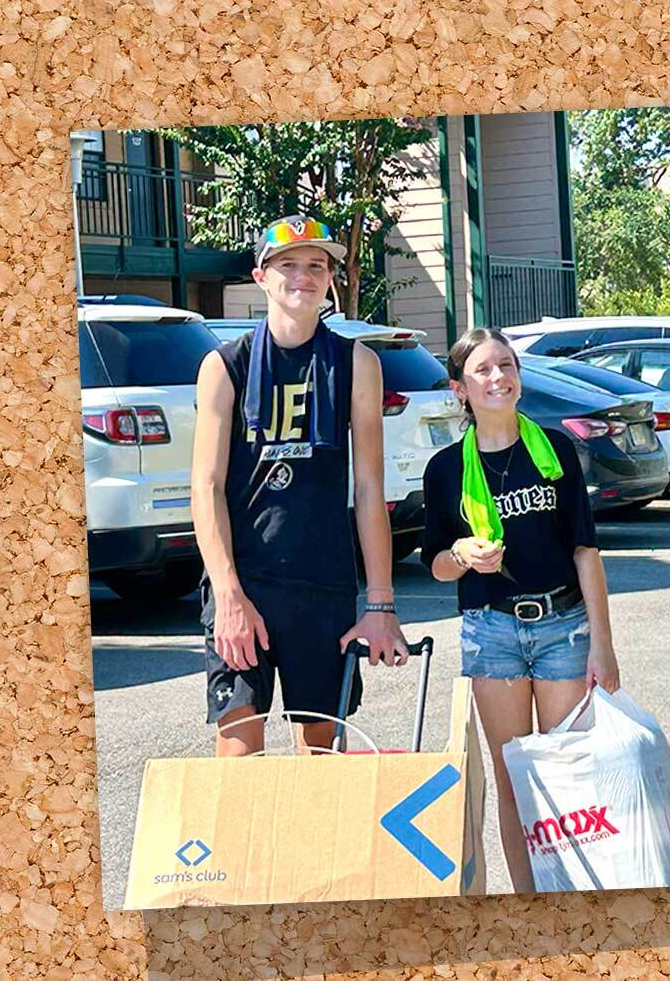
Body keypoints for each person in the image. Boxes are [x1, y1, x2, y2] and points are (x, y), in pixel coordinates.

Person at [192, 215, 408, 758]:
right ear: (260, 276)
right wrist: (228, 596)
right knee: (239, 754)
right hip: (246, 584)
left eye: (317, 266)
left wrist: (380, 601)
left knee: (321, 759)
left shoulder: (356, 362)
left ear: (331, 278)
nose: (303, 277)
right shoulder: (224, 366)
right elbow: (207, 487)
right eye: (287, 264)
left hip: (323, 588)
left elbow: (369, 487)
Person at [420, 326, 621, 894]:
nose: (498, 378)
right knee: (515, 780)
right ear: (460, 387)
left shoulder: (554, 450)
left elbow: (585, 549)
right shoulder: (445, 470)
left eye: (506, 366)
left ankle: (574, 900)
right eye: (482, 370)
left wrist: (603, 646)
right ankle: (529, 906)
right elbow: (434, 563)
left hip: (563, 627)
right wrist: (461, 554)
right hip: (493, 631)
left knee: (566, 777)